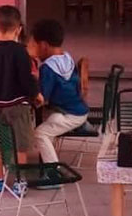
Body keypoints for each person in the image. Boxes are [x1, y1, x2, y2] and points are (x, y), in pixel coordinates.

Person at [0, 5, 41, 191]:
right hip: (17, 105)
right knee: (21, 144)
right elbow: (26, 78)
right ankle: (19, 181)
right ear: (18, 30)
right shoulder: (20, 51)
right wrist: (36, 94)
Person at [29, 19, 89, 163]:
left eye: (33, 44)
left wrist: (33, 81)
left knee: (40, 134)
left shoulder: (48, 69)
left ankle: (52, 172)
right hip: (79, 110)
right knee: (50, 123)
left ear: (43, 45)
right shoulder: (66, 58)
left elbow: (42, 98)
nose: (32, 48)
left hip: (69, 114)